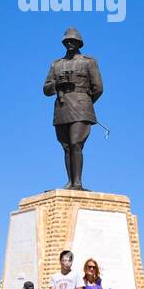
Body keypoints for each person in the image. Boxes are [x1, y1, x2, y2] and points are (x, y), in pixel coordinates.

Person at [42, 27, 104, 191]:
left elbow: (98, 88)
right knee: (66, 146)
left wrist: (85, 103)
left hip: (82, 107)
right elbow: (46, 90)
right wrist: (57, 85)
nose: (70, 43)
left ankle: (78, 183)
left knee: (76, 143)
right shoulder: (56, 65)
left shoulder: (89, 62)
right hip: (62, 108)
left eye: (73, 40)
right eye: (67, 40)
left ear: (79, 43)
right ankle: (70, 182)